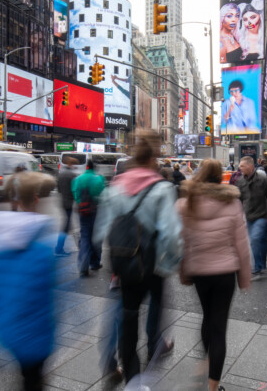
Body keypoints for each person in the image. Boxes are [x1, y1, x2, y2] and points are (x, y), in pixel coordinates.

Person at [93, 130, 182, 384]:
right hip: (152, 267)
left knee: (128, 319)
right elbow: (171, 235)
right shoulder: (162, 189)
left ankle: (131, 374)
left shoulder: (115, 187)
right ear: (154, 158)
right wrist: (170, 263)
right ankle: (155, 347)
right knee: (156, 309)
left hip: (125, 266)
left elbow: (100, 233)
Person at [0, 172, 58, 391]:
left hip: (9, 331)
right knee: (32, 380)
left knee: (27, 377)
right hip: (37, 336)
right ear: (37, 199)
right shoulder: (43, 244)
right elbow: (50, 296)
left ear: (13, 200)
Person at [177, 159, 251, 391]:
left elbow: (180, 241)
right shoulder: (232, 203)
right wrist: (245, 277)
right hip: (225, 272)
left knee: (207, 316)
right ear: (221, 177)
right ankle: (213, 386)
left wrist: (184, 270)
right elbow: (241, 244)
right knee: (219, 325)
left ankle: (206, 359)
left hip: (199, 270)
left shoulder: (185, 203)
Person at [235, 156, 267, 279]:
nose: (240, 168)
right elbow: (238, 199)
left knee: (256, 239)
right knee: (259, 241)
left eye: (242, 166)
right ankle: (261, 265)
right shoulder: (241, 181)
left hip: (264, 216)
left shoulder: (263, 181)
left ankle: (258, 267)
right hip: (250, 216)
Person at [72, 160, 106, 276]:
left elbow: (75, 192)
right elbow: (103, 194)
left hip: (83, 211)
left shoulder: (79, 179)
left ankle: (83, 266)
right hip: (96, 211)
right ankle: (95, 262)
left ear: (86, 167)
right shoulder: (98, 179)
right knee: (96, 237)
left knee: (85, 236)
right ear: (94, 168)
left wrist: (80, 203)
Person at [55, 158, 77, 256]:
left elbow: (59, 189)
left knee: (68, 224)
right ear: (71, 164)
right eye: (75, 164)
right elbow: (75, 190)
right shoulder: (72, 175)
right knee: (66, 226)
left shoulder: (61, 174)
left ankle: (61, 247)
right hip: (69, 203)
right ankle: (59, 248)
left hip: (62, 201)